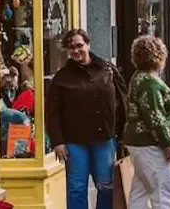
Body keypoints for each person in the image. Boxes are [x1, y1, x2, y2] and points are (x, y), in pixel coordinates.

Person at [46, 29, 127, 209]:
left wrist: (123, 133)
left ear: (88, 45)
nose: (76, 51)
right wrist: (58, 142)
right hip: (75, 142)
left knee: (106, 186)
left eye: (79, 46)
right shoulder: (62, 77)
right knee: (76, 188)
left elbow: (122, 101)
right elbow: (52, 112)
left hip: (104, 138)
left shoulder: (107, 69)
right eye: (71, 48)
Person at [123, 35, 170, 209]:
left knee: (140, 191)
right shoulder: (150, 83)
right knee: (163, 192)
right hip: (150, 144)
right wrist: (167, 144)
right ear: (159, 56)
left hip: (137, 142)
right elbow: (155, 117)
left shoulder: (138, 77)